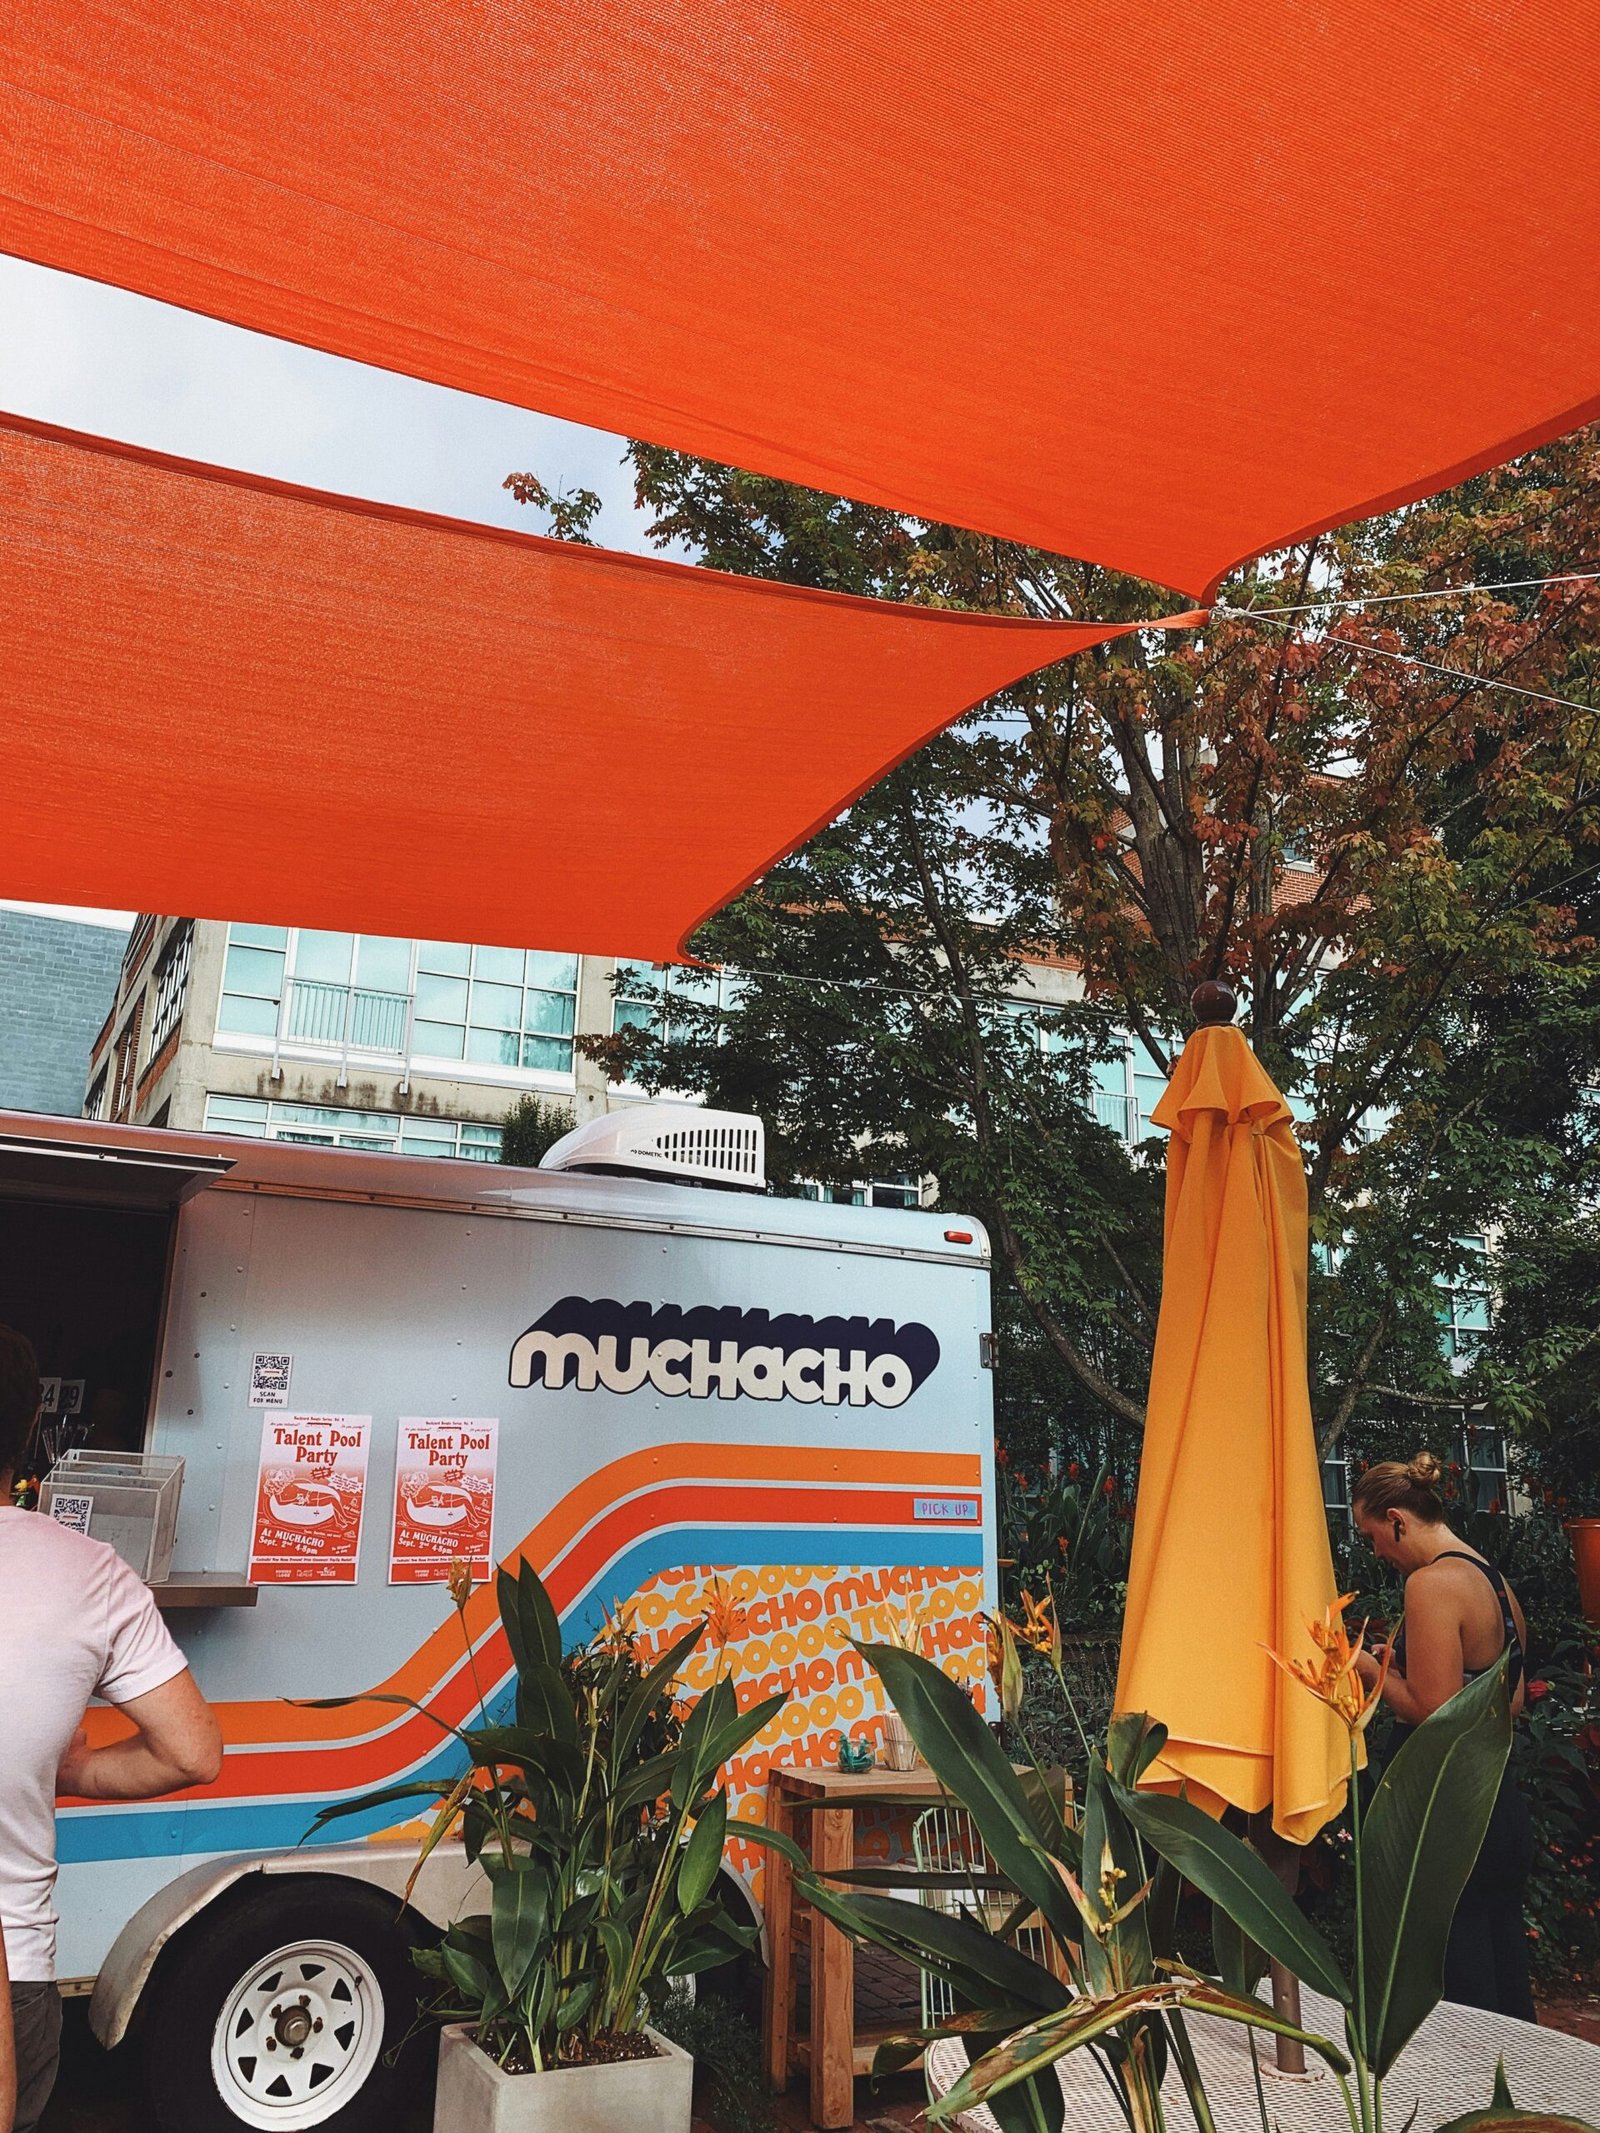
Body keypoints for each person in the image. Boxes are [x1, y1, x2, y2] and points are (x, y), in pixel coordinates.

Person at [0, 1326, 222, 2133]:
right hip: (12, 1962)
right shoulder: (91, 1572)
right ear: (29, 1434)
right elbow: (193, 1752)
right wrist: (69, 1768)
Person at [1352, 1450, 1535, 2022]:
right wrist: (1400, 1668)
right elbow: (1511, 1698)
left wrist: (1362, 1666)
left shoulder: (1431, 1585)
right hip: (1498, 1803)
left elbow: (1434, 1711)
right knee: (1504, 1987)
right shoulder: (1493, 1581)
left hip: (1445, 1816)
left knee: (1461, 2000)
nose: (1377, 1552)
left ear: (1398, 1520)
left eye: (1373, 1535)